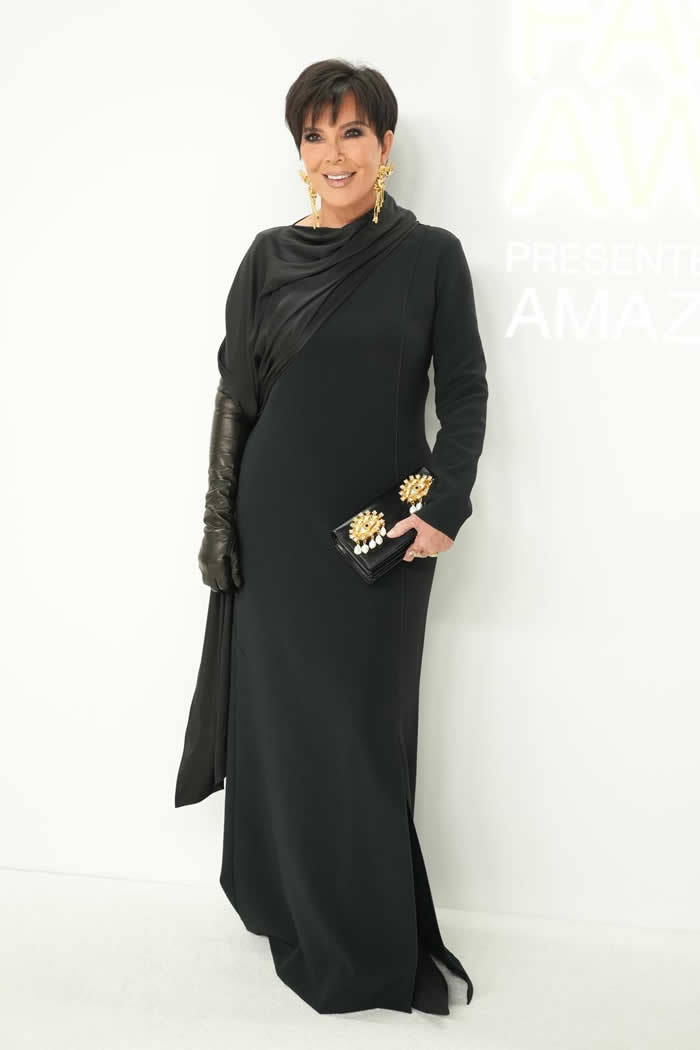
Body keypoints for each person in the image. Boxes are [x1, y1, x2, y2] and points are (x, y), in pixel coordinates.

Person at [174, 58, 488, 1016]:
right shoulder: (267, 256)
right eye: (315, 136)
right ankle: (286, 904)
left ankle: (364, 933)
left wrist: (442, 506)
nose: (333, 153)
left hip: (378, 529)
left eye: (352, 132)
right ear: (299, 152)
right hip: (273, 530)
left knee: (359, 733)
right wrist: (217, 523)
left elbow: (465, 393)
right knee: (281, 729)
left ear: (385, 146)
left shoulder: (430, 256)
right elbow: (236, 397)